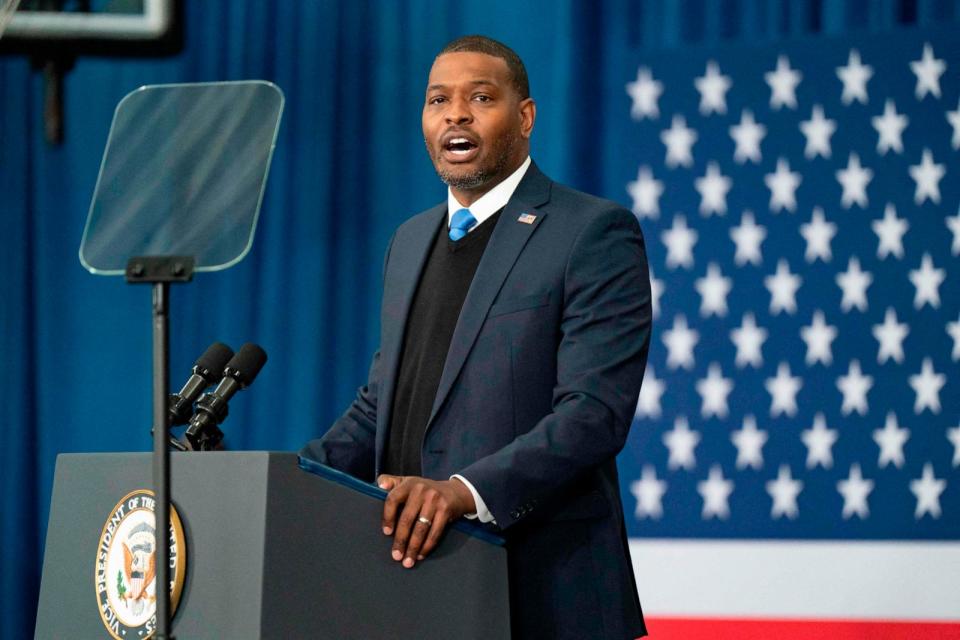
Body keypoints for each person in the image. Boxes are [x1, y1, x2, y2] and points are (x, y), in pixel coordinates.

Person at [301, 34, 651, 639]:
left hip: (543, 590)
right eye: (439, 100)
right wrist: (293, 478)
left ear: (525, 117)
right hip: (414, 583)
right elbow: (383, 400)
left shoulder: (591, 232)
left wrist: (463, 492)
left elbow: (593, 414)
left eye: (480, 97)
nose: (455, 113)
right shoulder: (410, 240)